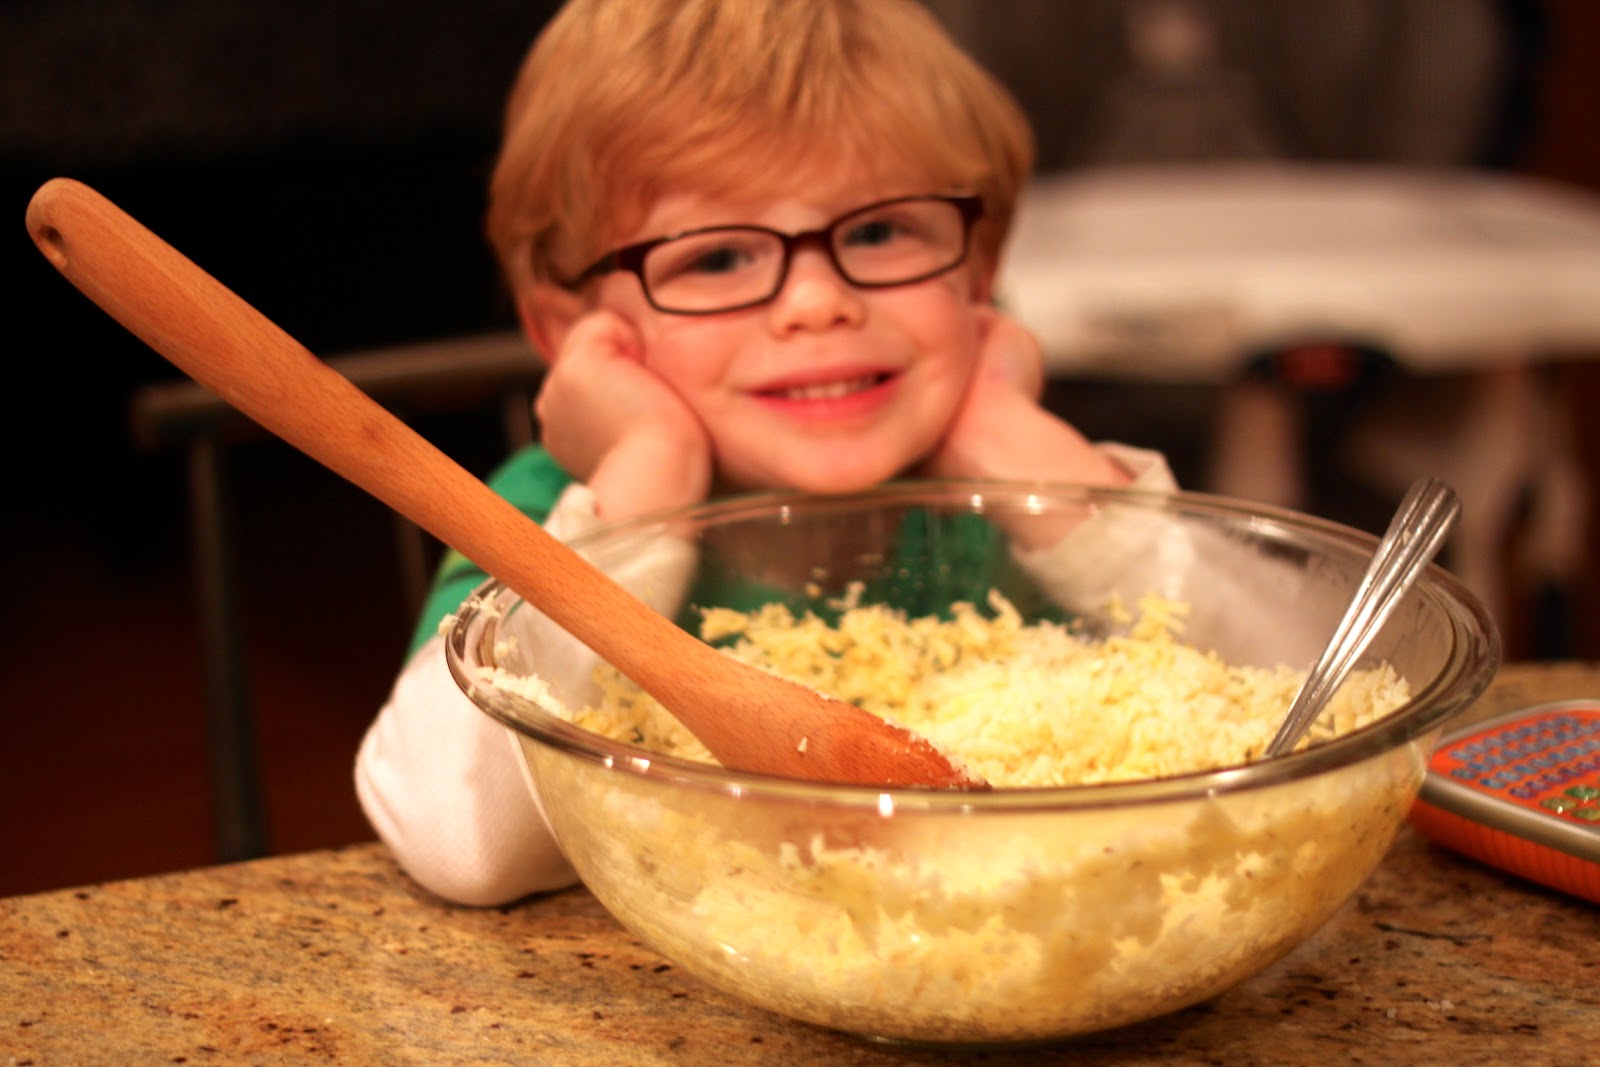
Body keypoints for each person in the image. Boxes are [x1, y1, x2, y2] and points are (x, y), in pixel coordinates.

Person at [355, 0, 1176, 907]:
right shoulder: (542, 520)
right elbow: (461, 843)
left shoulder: (1017, 494)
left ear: (977, 273)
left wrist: (1020, 450)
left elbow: (1290, 723)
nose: (817, 303)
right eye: (715, 259)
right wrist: (640, 493)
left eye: (878, 232)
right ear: (575, 330)